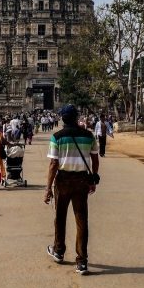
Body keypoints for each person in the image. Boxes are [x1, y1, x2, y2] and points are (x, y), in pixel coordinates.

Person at [45, 104, 99, 275]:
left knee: (60, 217)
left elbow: (53, 164)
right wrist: (93, 179)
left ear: (62, 118)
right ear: (77, 117)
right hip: (82, 180)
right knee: (81, 220)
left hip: (63, 180)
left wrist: (48, 188)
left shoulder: (57, 137)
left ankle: (59, 251)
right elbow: (95, 159)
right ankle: (82, 261)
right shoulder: (88, 136)